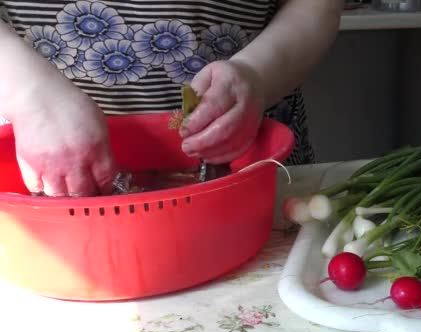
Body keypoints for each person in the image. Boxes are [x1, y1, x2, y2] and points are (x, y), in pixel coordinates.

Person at [0, 0, 343, 197]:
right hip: (49, 167)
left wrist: (256, 74)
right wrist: (26, 91)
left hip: (250, 160)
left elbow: (314, 7)